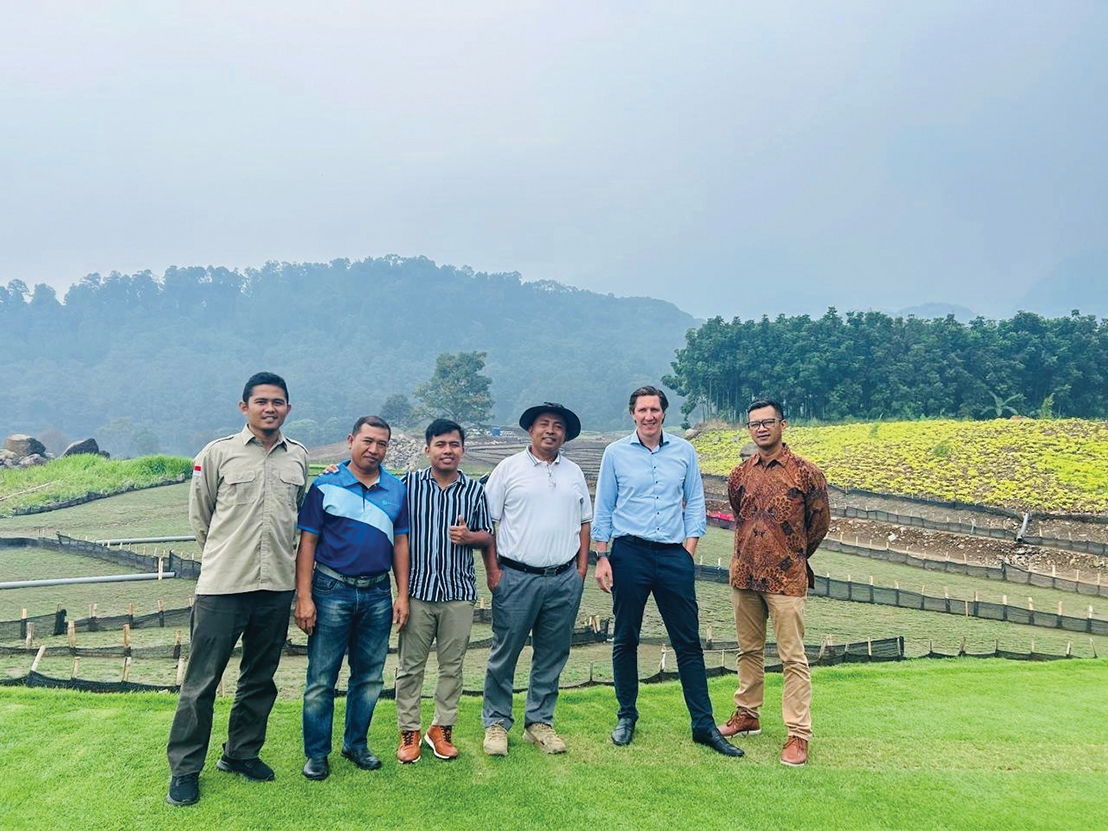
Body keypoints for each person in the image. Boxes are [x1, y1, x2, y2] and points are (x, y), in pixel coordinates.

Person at [166, 372, 309, 807]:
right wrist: (226, 556)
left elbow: (299, 520)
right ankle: (186, 769)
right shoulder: (217, 454)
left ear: (288, 408)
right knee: (201, 682)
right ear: (243, 407)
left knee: (259, 679)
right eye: (262, 401)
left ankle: (241, 753)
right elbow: (201, 519)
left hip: (275, 587)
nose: (270, 408)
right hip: (222, 587)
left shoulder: (298, 458)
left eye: (278, 402)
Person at [593, 385, 742, 757]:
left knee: (688, 642)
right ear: (632, 414)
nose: (648, 416)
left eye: (655, 410)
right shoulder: (615, 454)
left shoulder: (684, 451)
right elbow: (604, 506)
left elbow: (694, 501)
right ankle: (626, 715)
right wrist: (602, 556)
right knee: (626, 637)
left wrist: (688, 550)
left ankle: (703, 725)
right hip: (630, 552)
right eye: (642, 410)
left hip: (674, 555)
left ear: (664, 413)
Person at [293, 416, 410, 781]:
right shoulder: (325, 484)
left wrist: (401, 593)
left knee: (369, 677)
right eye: (368, 441)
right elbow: (307, 542)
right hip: (330, 590)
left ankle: (356, 744)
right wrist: (304, 596)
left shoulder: (396, 489)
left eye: (382, 444)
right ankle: (316, 754)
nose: (374, 449)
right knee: (321, 678)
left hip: (377, 592)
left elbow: (401, 543)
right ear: (351, 440)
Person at [718, 398, 829, 767]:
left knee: (792, 657)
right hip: (745, 574)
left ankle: (798, 734)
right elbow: (740, 513)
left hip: (786, 577)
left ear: (783, 424)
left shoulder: (806, 473)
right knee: (748, 650)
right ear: (748, 429)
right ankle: (747, 713)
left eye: (768, 421)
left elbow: (818, 525)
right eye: (754, 423)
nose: (761, 428)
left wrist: (793, 555)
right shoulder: (739, 474)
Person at [481, 402, 591, 756]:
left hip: (563, 578)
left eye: (558, 426)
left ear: (565, 435)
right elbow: (490, 522)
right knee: (505, 650)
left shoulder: (573, 472)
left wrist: (581, 569)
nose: (551, 430)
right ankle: (496, 722)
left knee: (552, 652)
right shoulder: (508, 469)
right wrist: (494, 570)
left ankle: (539, 722)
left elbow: (584, 522)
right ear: (531, 430)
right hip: (516, 576)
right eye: (544, 424)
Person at [394, 418, 495, 763]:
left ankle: (442, 729)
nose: (447, 450)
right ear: (428, 450)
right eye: (440, 444)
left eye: (454, 445)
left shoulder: (474, 491)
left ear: (463, 450)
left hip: (457, 592)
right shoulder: (408, 486)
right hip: (417, 591)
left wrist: (470, 538)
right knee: (410, 666)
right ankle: (409, 732)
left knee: (452, 666)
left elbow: (487, 536)